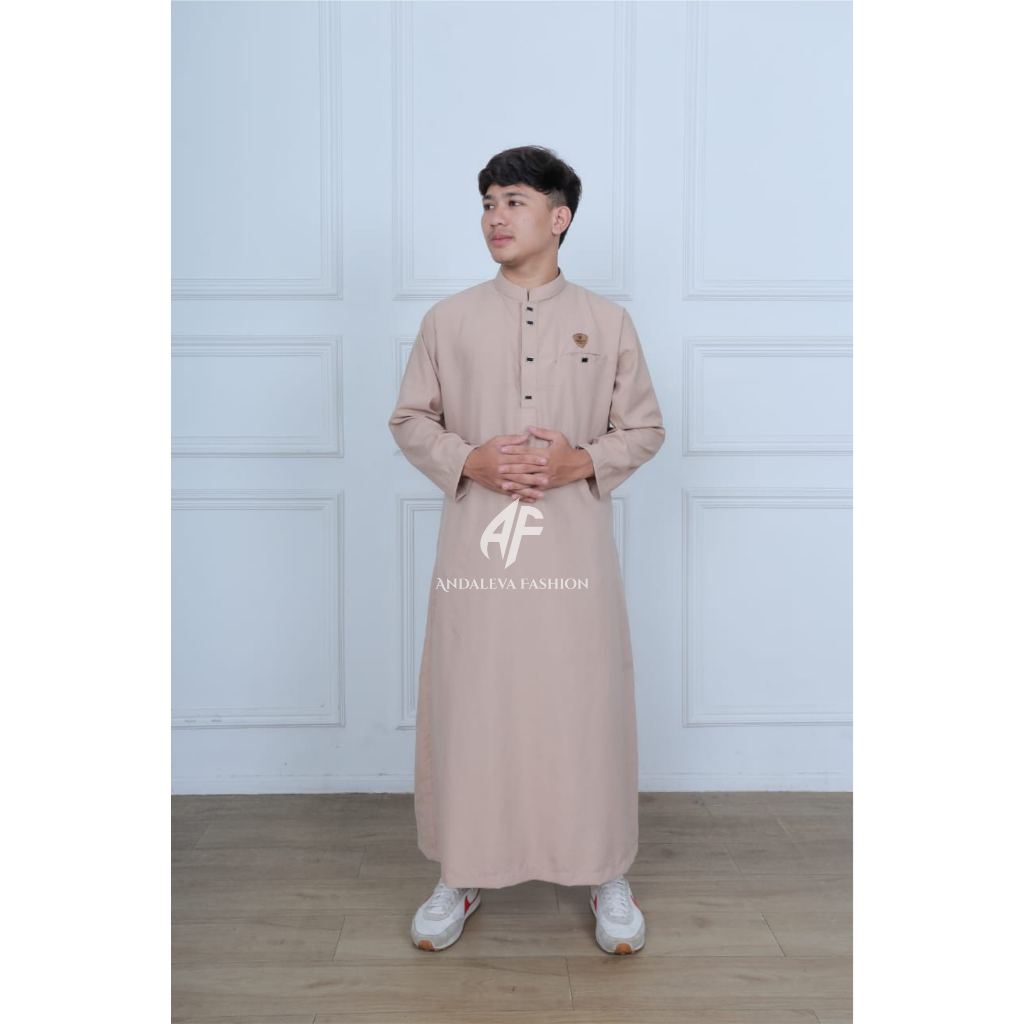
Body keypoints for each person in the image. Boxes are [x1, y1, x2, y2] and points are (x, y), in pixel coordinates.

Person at [389, 145, 665, 955]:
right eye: (486, 203)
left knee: (585, 703)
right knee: (473, 698)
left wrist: (583, 461)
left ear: (559, 216)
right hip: (479, 548)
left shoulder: (607, 322)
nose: (494, 217)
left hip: (573, 547)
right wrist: (468, 459)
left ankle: (605, 871)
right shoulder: (447, 320)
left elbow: (645, 427)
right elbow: (410, 418)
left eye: (512, 201)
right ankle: (461, 871)